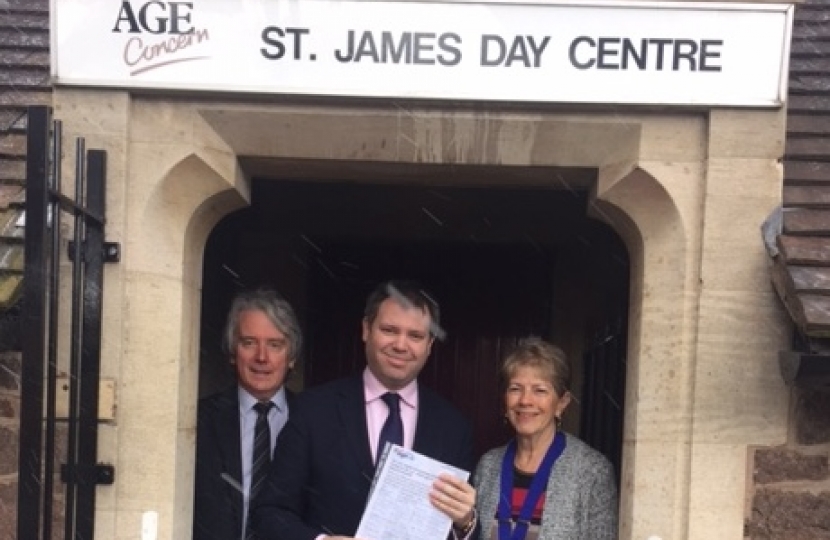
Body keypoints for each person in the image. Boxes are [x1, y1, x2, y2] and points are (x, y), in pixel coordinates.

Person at [252, 280, 477, 540]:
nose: (401, 345)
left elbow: (463, 530)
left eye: (415, 336)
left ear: (429, 345)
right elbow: (269, 513)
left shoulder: (453, 427)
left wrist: (466, 522)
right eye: (390, 330)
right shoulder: (314, 410)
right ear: (366, 330)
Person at [471, 337, 618, 540]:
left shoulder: (592, 472)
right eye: (515, 389)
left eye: (539, 390)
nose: (525, 400)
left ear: (561, 403)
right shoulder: (487, 466)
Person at [193, 288, 303, 540]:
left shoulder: (313, 421)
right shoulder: (198, 421)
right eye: (249, 343)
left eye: (275, 345)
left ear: (291, 357)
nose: (261, 357)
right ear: (233, 352)